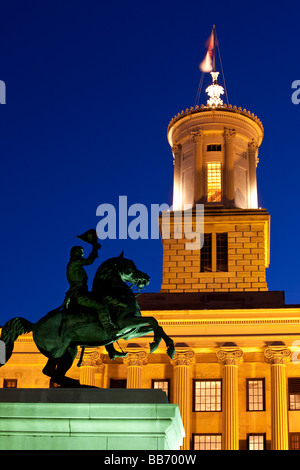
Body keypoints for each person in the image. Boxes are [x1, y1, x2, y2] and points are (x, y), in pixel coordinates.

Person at [65, 243, 118, 336]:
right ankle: (109, 329)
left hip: (82, 292)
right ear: (75, 252)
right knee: (100, 306)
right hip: (79, 294)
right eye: (80, 252)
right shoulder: (74, 262)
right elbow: (89, 261)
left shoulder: (75, 265)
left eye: (82, 252)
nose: (82, 254)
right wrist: (95, 249)